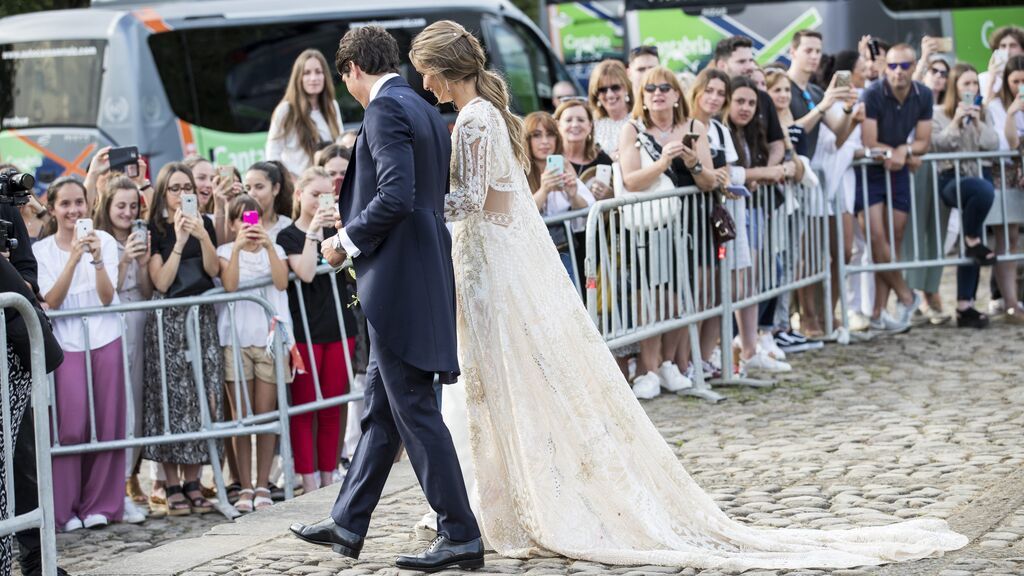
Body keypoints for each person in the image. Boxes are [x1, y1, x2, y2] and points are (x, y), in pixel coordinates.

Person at [403, 18, 966, 571]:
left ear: (443, 69)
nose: (422, 83)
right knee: (495, 381)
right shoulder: (485, 116)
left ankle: (489, 501)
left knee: (493, 380)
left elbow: (478, 204)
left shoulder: (474, 121)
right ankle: (488, 497)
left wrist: (420, 204)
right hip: (489, 263)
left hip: (485, 267)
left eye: (425, 71)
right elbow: (502, 205)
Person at [289, 25, 483, 573]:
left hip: (399, 281)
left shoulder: (383, 109)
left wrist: (342, 242)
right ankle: (348, 520)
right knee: (381, 410)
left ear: (351, 69)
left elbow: (396, 195)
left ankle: (461, 534)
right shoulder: (421, 105)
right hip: (412, 273)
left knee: (415, 411)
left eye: (343, 76)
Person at [34, 177, 127, 531]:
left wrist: (99, 260)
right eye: (66, 204)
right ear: (53, 207)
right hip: (66, 342)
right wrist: (73, 258)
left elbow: (107, 296)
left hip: (106, 336)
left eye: (79, 203)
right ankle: (65, 507)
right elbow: (52, 300)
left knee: (108, 424)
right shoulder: (42, 251)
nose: (74, 211)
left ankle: (101, 504)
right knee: (69, 426)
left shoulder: (103, 240)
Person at [618, 66, 716, 396]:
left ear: (677, 94)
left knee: (681, 295)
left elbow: (709, 181)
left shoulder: (694, 127)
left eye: (664, 87)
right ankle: (647, 369)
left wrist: (692, 162)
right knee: (650, 298)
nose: (657, 93)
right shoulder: (631, 129)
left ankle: (669, 363)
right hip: (648, 224)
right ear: (642, 99)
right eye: (649, 89)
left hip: (689, 225)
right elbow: (631, 180)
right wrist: (662, 162)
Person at [142, 163, 221, 517]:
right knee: (170, 399)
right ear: (163, 193)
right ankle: (171, 483)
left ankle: (194, 479)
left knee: (203, 393)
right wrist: (179, 240)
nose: (180, 194)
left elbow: (213, 270)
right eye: (173, 188)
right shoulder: (156, 228)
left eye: (185, 187)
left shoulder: (206, 223)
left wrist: (202, 236)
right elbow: (161, 282)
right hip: (169, 320)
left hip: (201, 316)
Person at [277, 167, 358, 494]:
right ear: (299, 194)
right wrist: (313, 230)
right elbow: (307, 273)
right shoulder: (288, 236)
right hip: (305, 333)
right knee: (305, 406)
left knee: (333, 405)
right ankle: (308, 479)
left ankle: (328, 475)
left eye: (329, 196)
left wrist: (336, 228)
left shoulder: (338, 230)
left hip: (340, 328)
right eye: (315, 195)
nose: (321, 202)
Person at [217, 194, 291, 513]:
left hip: (267, 340)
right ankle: (244, 484)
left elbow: (281, 281)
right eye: (244, 219)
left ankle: (262, 483)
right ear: (233, 223)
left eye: (255, 218)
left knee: (264, 415)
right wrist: (236, 247)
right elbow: (230, 285)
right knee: (241, 418)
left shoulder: (275, 249)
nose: (251, 224)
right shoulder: (223, 252)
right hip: (235, 339)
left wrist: (269, 246)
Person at [857, 43, 933, 332]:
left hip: (899, 169)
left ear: (914, 68)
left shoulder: (923, 94)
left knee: (893, 239)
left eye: (904, 66)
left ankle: (877, 312)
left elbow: (924, 141)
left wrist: (904, 150)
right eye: (892, 65)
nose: (897, 72)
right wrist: (898, 153)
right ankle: (906, 295)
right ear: (885, 67)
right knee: (876, 237)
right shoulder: (873, 92)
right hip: (871, 171)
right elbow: (869, 140)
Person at [93, 176, 153, 521]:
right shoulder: (99, 240)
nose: (128, 212)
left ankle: (129, 478)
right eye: (121, 205)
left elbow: (145, 289)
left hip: (141, 318)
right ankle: (113, 488)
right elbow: (108, 290)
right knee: (120, 406)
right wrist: (125, 259)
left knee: (138, 403)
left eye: (133, 206)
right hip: (111, 321)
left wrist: (142, 262)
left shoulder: (141, 236)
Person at [930, 63, 999, 328]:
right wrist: (957, 122)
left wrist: (978, 122)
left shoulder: (985, 113)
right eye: (966, 84)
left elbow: (992, 144)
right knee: (982, 193)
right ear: (954, 88)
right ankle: (971, 240)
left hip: (975, 177)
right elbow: (937, 145)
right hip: (950, 178)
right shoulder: (938, 113)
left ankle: (965, 305)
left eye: (975, 85)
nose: (971, 89)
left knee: (976, 237)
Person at [524, 111, 592, 282]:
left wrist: (573, 195)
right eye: (537, 135)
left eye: (550, 135)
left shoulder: (563, 165)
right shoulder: (518, 171)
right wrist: (544, 190)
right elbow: (518, 215)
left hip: (563, 252)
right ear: (527, 140)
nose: (545, 142)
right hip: (529, 257)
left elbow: (589, 210)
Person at [985, 54, 1024, 321]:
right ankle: (1010, 301)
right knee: (1007, 239)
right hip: (1004, 173)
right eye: (1015, 80)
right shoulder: (997, 105)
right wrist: (1012, 113)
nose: (1020, 85)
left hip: (1018, 170)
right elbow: (1009, 143)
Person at [266, 49, 345, 178]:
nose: (313, 78)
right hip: (300, 189)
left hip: (328, 186)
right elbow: (273, 156)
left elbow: (340, 146)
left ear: (325, 76)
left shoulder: (332, 106)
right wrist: (291, 182)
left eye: (318, 72)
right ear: (298, 78)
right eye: (307, 73)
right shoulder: (286, 110)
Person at [588, 59, 633, 158]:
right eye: (602, 90)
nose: (610, 95)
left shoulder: (640, 120)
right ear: (596, 95)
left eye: (615, 87)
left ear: (626, 88)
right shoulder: (591, 125)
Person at [244, 161, 294, 241]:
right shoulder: (241, 223)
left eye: (259, 187)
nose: (251, 194)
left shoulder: (287, 225)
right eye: (248, 188)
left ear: (275, 189)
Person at [980, 26, 1024, 104]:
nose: (1008, 51)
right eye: (1003, 46)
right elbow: (984, 109)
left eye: (1013, 45)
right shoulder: (983, 78)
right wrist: (991, 80)